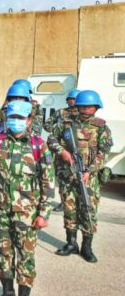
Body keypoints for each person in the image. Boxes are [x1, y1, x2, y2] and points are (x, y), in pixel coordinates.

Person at [0, 100, 55, 296]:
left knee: (26, 254)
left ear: (29, 120)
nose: (15, 121)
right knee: (3, 250)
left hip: (27, 211)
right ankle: (7, 290)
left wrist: (44, 213)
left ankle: (24, 292)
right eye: (12, 117)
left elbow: (48, 181)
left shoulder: (39, 145)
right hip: (0, 208)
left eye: (20, 117)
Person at [47, 90, 113, 263]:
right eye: (83, 106)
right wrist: (62, 152)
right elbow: (51, 139)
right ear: (77, 106)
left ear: (96, 107)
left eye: (90, 106)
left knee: (88, 210)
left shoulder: (101, 127)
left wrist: (89, 171)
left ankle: (86, 246)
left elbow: (103, 153)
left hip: (88, 179)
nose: (86, 109)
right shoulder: (66, 124)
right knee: (69, 209)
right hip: (67, 175)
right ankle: (71, 243)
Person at [43, 89, 81, 212]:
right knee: (62, 177)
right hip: (62, 150)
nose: (71, 101)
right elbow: (47, 124)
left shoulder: (83, 113)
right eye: (70, 99)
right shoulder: (61, 112)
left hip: (78, 149)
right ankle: (64, 202)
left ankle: (78, 203)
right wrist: (58, 131)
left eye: (74, 99)